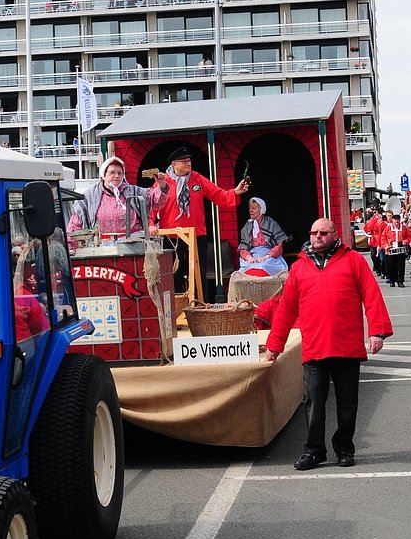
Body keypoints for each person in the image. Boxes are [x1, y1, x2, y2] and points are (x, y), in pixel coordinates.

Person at [265, 218, 393, 470]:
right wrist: (274, 345)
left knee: (347, 402)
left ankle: (344, 448)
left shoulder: (354, 260)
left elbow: (371, 294)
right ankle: (314, 451)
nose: (317, 237)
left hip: (347, 345)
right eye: (313, 232)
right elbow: (286, 309)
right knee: (313, 401)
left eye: (323, 232)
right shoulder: (299, 268)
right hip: (314, 346)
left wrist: (377, 331)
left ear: (335, 235)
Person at [156, 145, 249, 296]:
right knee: (175, 274)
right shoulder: (163, 181)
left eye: (189, 160)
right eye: (184, 161)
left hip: (196, 234)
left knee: (199, 274)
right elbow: (153, 204)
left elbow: (218, 195)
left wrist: (235, 192)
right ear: (174, 164)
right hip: (172, 236)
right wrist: (150, 225)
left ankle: (200, 307)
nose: (188, 163)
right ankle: (177, 309)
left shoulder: (197, 178)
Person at [67, 156, 167, 250]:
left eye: (120, 173)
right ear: (103, 174)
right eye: (112, 172)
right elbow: (75, 224)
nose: (116, 176)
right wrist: (71, 247)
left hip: (133, 246)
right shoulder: (89, 196)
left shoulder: (134, 192)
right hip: (101, 248)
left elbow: (156, 201)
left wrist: (162, 185)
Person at [238, 197, 289, 275]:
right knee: (249, 268)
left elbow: (279, 245)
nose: (250, 210)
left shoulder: (271, 223)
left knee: (264, 266)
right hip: (253, 255)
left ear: (261, 209)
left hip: (269, 255)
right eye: (250, 208)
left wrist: (266, 257)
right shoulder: (247, 226)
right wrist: (248, 257)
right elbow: (243, 247)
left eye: (254, 208)